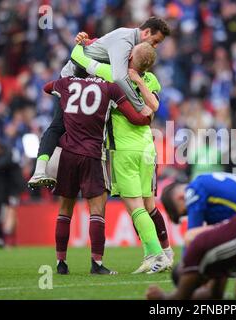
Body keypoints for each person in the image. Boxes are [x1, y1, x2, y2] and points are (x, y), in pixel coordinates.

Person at [43, 43, 158, 275]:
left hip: (68, 153)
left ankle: (60, 263)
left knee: (65, 209)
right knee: (97, 210)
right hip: (93, 154)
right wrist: (147, 119)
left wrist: (65, 88)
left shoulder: (66, 84)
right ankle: (96, 264)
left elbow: (47, 87)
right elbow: (136, 118)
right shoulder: (110, 88)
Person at [28, 16, 170, 188]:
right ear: (146, 32)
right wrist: (140, 106)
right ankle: (41, 170)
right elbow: (118, 76)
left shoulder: (132, 45)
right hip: (75, 78)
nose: (155, 47)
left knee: (93, 131)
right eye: (155, 41)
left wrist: (85, 42)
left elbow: (98, 47)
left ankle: (75, 177)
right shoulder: (125, 40)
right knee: (59, 125)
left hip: (91, 79)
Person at [69, 38, 173, 273]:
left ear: (130, 57)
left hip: (124, 151)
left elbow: (80, 58)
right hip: (148, 148)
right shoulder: (152, 79)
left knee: (135, 207)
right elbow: (154, 106)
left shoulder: (111, 72)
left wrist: (83, 42)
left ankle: (157, 255)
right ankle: (157, 254)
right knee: (148, 205)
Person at [160, 172, 236, 229]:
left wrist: (183, 269)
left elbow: (193, 236)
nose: (190, 213)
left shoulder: (193, 190)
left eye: (186, 212)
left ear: (180, 197)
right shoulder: (206, 181)